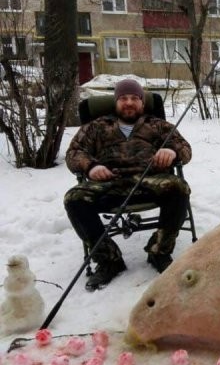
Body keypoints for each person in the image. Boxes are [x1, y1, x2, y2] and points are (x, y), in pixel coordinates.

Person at [64, 79, 192, 291]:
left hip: (149, 181)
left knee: (179, 187)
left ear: (142, 103)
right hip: (109, 183)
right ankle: (109, 260)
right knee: (74, 198)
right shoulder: (96, 127)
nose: (129, 103)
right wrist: (90, 167)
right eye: (123, 98)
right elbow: (74, 153)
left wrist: (172, 151)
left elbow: (185, 149)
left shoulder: (157, 125)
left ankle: (159, 251)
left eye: (135, 98)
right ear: (116, 102)